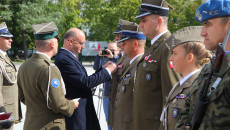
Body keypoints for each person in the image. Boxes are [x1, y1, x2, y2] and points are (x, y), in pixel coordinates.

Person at [176, 0, 230, 129]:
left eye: (207, 24)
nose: (202, 33)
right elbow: (187, 109)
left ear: (228, 25)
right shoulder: (210, 67)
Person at [17, 22, 79, 130]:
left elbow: (22, 97)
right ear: (52, 44)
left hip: (31, 124)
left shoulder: (24, 66)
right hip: (48, 125)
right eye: (57, 41)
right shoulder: (49, 69)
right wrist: (72, 104)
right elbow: (58, 103)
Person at [54, 28, 117, 130]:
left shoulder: (68, 57)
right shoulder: (63, 58)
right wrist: (108, 71)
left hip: (82, 111)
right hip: (77, 113)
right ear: (70, 41)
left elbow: (83, 79)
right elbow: (85, 82)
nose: (83, 46)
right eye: (81, 43)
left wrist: (102, 69)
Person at [133, 0, 181, 129]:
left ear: (159, 21)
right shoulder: (154, 46)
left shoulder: (167, 47)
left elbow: (172, 96)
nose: (140, 25)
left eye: (144, 20)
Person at [159, 26, 211, 130]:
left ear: (189, 57)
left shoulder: (200, 85)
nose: (171, 58)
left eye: (174, 53)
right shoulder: (181, 84)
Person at [113, 23, 146, 130]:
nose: (121, 46)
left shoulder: (141, 67)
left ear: (135, 44)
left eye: (124, 43)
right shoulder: (132, 64)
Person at [108, 19, 136, 129]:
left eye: (119, 36)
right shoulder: (122, 57)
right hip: (117, 113)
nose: (116, 38)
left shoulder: (130, 58)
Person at [93, 41, 119, 130]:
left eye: (113, 50)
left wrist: (113, 58)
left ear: (118, 50)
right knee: (108, 119)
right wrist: (98, 56)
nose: (109, 52)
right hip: (106, 95)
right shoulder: (105, 60)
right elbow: (96, 68)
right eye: (108, 50)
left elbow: (121, 67)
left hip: (117, 95)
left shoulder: (120, 59)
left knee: (117, 120)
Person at [0, 22, 21, 130]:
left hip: (8, 111)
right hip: (3, 113)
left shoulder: (4, 57)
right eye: (6, 37)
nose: (11, 40)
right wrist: (2, 115)